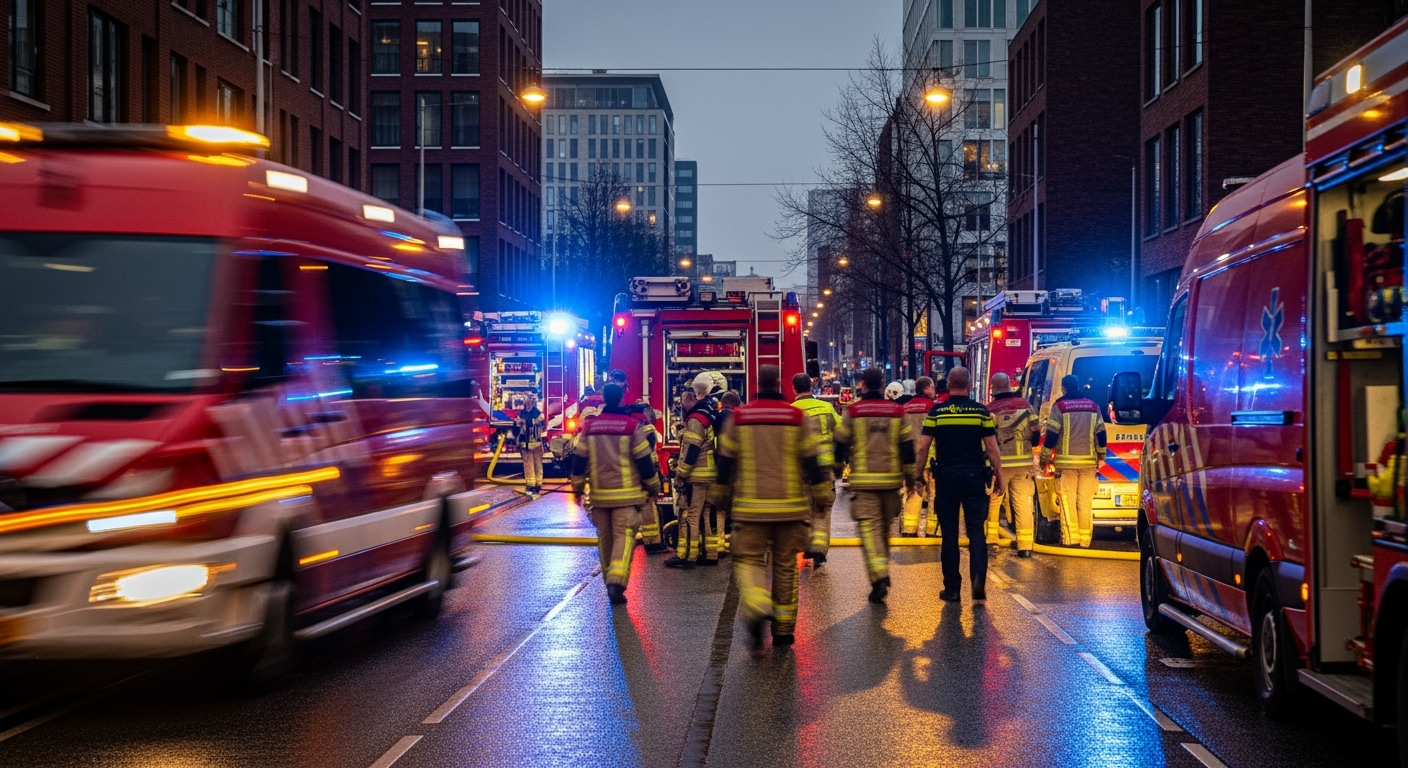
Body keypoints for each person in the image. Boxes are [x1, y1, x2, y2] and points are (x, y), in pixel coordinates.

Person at [710, 365, 833, 650]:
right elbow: (814, 462)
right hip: (791, 508)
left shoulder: (739, 418)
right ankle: (784, 631)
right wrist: (821, 497)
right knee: (786, 566)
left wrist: (720, 496)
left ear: (757, 382)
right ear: (780, 383)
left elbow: (725, 463)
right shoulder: (796, 417)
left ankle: (756, 606)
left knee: (749, 561)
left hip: (750, 509)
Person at [915, 367, 1004, 602]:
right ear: (969, 385)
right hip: (974, 476)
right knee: (976, 532)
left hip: (946, 477)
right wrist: (999, 476)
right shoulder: (980, 412)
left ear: (947, 385)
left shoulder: (937, 412)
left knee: (950, 535)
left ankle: (952, 589)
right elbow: (992, 448)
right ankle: (978, 585)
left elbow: (923, 447)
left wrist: (917, 476)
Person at [570, 384, 662, 605]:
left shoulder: (589, 427)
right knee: (623, 536)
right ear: (621, 399)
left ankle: (609, 580)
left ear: (604, 399)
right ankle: (616, 584)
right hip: (627, 497)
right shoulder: (632, 426)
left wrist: (578, 488)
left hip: (600, 496)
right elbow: (644, 462)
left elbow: (578, 460)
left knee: (605, 538)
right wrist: (653, 487)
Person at [834, 367, 916, 604]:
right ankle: (882, 572)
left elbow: (840, 443)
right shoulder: (897, 411)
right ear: (882, 384)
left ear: (862, 384)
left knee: (870, 531)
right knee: (884, 530)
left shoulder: (853, 411)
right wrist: (910, 479)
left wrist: (836, 470)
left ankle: (879, 575)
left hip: (865, 481)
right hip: (891, 481)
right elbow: (908, 447)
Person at [1041, 374, 1108, 548]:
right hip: (1088, 464)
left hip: (1066, 465)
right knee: (1085, 502)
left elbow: (1051, 436)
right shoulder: (1093, 406)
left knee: (1067, 501)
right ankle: (1085, 541)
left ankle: (1072, 540)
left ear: (1063, 388)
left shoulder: (1059, 407)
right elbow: (1101, 434)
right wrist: (1101, 454)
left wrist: (1045, 458)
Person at [986, 372, 1040, 556]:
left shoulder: (989, 410)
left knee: (993, 501)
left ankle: (990, 541)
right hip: (1023, 463)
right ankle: (1025, 547)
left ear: (993, 387)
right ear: (1009, 385)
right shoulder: (1026, 406)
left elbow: (985, 438)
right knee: (1023, 503)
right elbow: (1036, 431)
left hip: (999, 464)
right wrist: (1028, 446)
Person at [670, 373, 721, 568]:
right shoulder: (708, 413)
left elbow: (691, 450)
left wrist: (681, 474)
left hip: (697, 475)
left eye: (683, 402)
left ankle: (689, 556)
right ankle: (711, 553)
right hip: (709, 473)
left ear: (691, 400)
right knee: (706, 514)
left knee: (691, 515)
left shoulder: (695, 420)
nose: (681, 407)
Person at [792, 372, 839, 567]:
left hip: (800, 469)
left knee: (805, 507)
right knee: (823, 508)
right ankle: (819, 549)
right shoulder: (827, 408)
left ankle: (806, 543)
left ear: (793, 388)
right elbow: (842, 432)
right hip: (825, 468)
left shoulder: (791, 411)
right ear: (811, 387)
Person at [900, 376, 939, 537]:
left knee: (913, 493)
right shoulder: (934, 408)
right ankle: (932, 531)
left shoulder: (904, 409)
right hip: (932, 459)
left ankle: (909, 529)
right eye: (932, 387)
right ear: (927, 388)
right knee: (934, 496)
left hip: (910, 459)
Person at [513, 393, 546, 497]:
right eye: (526, 401)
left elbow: (540, 424)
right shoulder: (521, 413)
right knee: (528, 465)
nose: (528, 402)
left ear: (532, 402)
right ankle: (531, 484)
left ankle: (538, 484)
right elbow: (516, 427)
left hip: (535, 443)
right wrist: (517, 423)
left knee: (537, 464)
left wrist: (525, 422)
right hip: (525, 443)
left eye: (529, 400)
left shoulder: (537, 414)